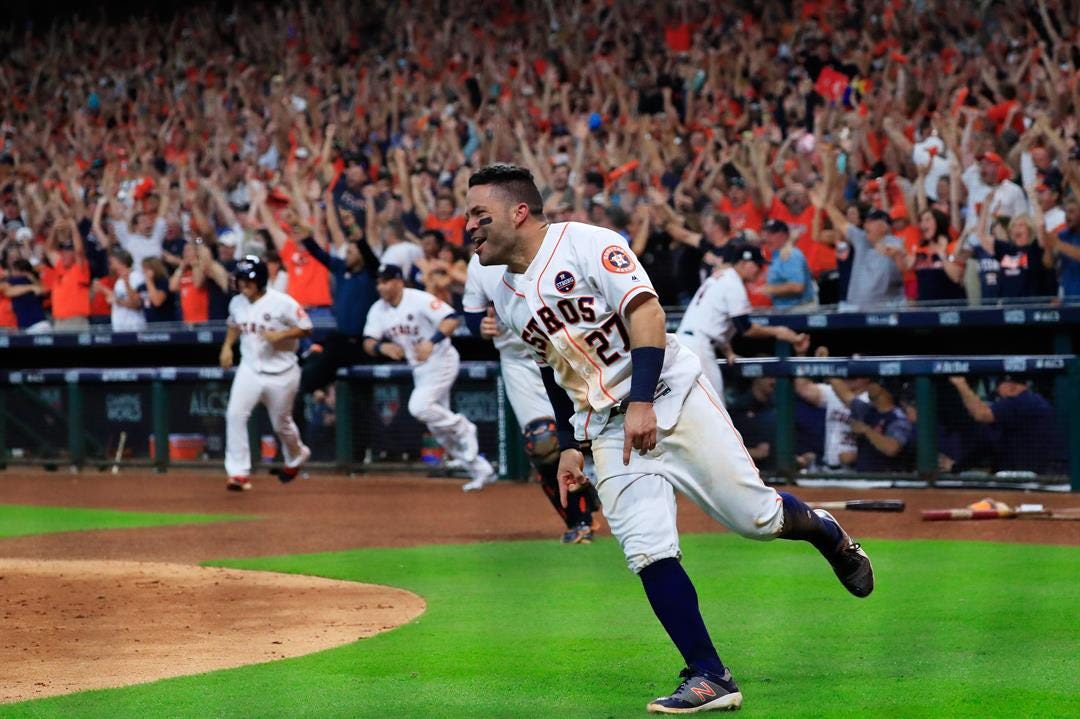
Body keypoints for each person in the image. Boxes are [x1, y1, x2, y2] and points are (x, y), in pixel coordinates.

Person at [467, 163, 872, 714]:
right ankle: (710, 674)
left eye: (478, 213)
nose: (469, 226)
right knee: (647, 548)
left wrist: (640, 402)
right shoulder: (509, 296)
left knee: (755, 520)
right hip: (608, 429)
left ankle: (826, 532)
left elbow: (647, 312)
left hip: (668, 396)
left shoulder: (586, 243)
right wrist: (567, 444)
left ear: (519, 211)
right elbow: (554, 371)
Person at [463, 252, 601, 541]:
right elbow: (472, 311)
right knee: (541, 442)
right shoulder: (479, 262)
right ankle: (579, 520)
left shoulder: (546, 248)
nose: (476, 229)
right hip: (519, 362)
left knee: (592, 432)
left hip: (564, 353)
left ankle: (600, 484)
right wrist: (481, 328)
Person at [362, 263, 496, 491]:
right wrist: (382, 348)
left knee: (419, 407)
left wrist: (430, 342)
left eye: (385, 281)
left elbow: (452, 318)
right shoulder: (378, 309)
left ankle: (463, 426)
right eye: (378, 282)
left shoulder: (418, 299)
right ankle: (481, 470)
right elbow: (368, 341)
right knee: (440, 432)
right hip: (420, 369)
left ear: (398, 281)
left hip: (441, 359)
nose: (381, 286)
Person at [219, 255, 313, 491]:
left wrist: (281, 335)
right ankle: (238, 473)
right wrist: (227, 346)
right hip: (249, 369)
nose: (242, 285)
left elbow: (307, 327)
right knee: (235, 415)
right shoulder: (237, 303)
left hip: (282, 372)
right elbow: (233, 324)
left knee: (282, 425)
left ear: (260, 279)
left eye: (247, 280)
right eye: (239, 280)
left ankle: (297, 454)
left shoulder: (283, 302)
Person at [676, 242, 809, 398]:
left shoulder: (722, 277)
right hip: (699, 349)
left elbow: (714, 322)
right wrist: (778, 332)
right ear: (744, 263)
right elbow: (745, 328)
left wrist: (729, 352)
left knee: (690, 406)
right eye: (757, 266)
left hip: (686, 343)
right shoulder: (733, 283)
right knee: (716, 409)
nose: (760, 271)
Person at [948, 375, 1065, 474]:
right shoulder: (1018, 408)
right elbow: (985, 447)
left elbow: (982, 414)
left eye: (999, 387)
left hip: (1034, 476)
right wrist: (956, 467)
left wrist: (960, 384)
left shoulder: (1025, 401)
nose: (997, 393)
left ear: (1011, 385)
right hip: (1025, 473)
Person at [811, 190, 906, 309]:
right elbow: (842, 224)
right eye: (866, 222)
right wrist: (826, 205)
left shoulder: (896, 242)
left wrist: (896, 254)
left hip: (886, 309)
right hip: (855, 307)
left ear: (883, 226)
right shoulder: (861, 240)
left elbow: (905, 268)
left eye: (870, 222)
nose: (866, 225)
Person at [826, 376, 912, 474]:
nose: (869, 386)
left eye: (873, 383)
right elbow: (844, 394)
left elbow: (892, 448)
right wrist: (830, 369)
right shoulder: (868, 411)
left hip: (887, 480)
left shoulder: (897, 419)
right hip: (863, 478)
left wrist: (866, 430)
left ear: (882, 390)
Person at [758, 220, 816, 308]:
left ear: (783, 235)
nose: (767, 238)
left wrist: (770, 289)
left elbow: (797, 286)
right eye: (765, 234)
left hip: (798, 310)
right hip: (785, 310)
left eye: (771, 234)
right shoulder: (776, 253)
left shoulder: (790, 255)